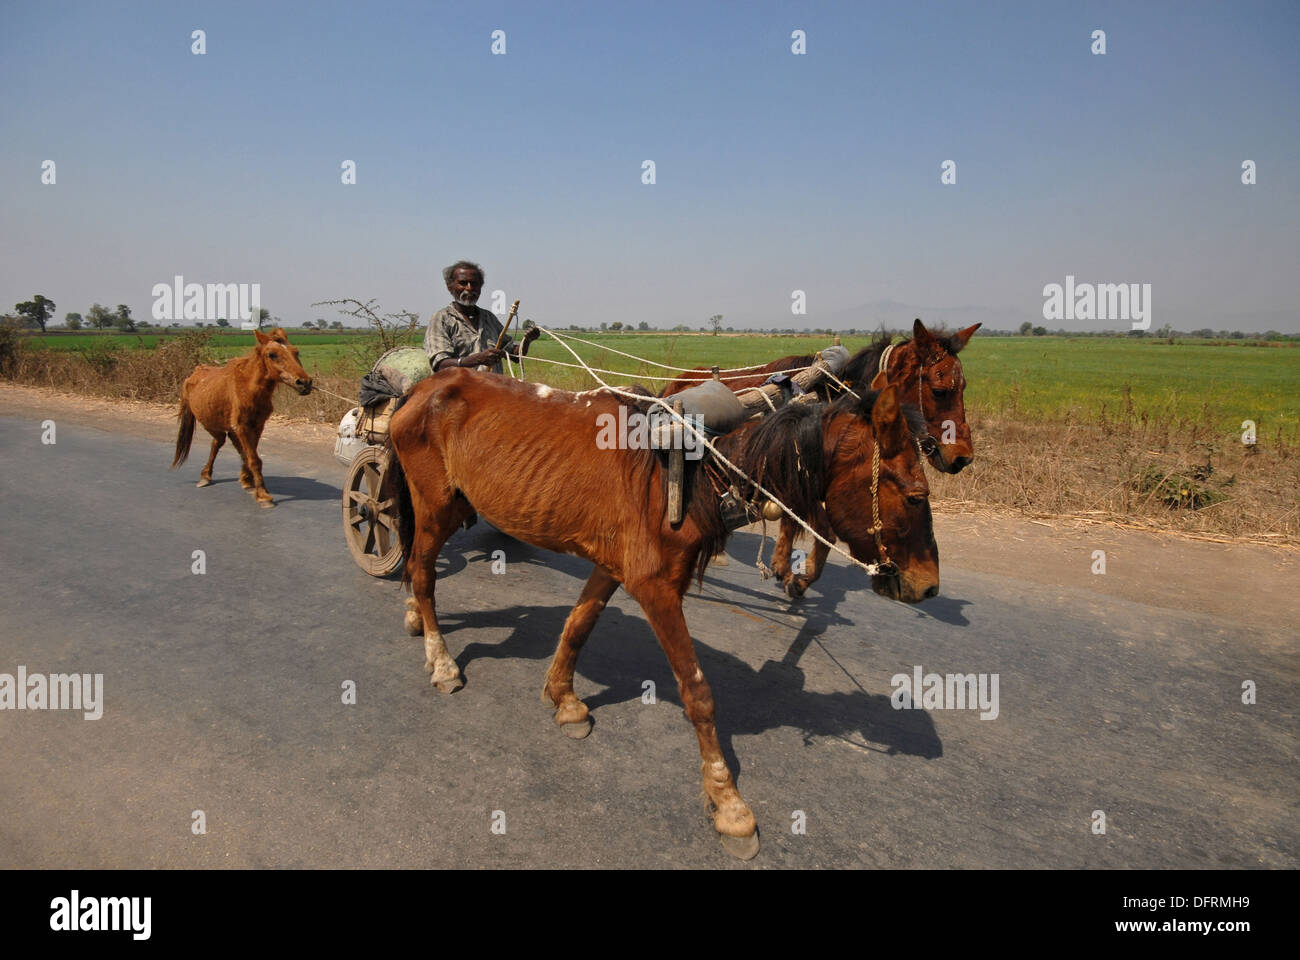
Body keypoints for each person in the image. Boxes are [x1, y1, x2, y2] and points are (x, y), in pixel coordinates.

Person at [424, 260, 539, 373]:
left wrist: (527, 340)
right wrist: (476, 359)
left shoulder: (489, 318)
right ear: (450, 287)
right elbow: (440, 365)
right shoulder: (441, 318)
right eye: (463, 283)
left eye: (474, 283)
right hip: (461, 390)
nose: (469, 288)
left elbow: (515, 356)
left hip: (492, 389)